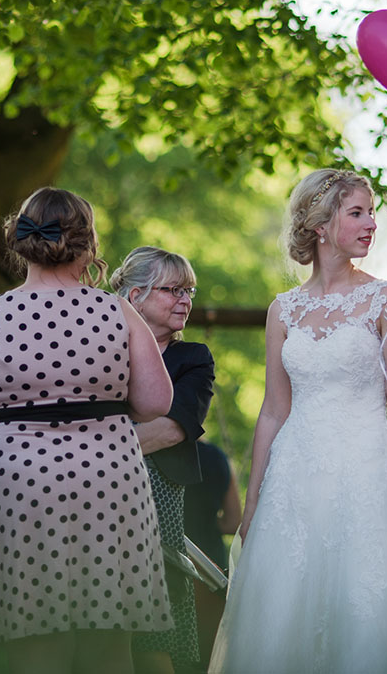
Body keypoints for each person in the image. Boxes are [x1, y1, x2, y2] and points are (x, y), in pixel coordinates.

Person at [208, 169, 387, 674]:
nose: (371, 223)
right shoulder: (283, 309)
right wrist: (253, 500)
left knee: (365, 613)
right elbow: (273, 409)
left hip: (366, 475)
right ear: (319, 224)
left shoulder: (385, 296)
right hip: (295, 480)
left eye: (372, 212)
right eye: (358, 212)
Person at [0, 187, 175, 674]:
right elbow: (158, 402)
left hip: (22, 484)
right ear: (88, 243)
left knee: (33, 638)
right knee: (109, 641)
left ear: (21, 239)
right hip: (107, 479)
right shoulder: (119, 312)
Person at [111, 246, 216, 674]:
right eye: (173, 290)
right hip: (91, 493)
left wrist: (97, 448)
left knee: (156, 634)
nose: (185, 301)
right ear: (135, 296)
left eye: (188, 291)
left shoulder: (193, 358)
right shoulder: (97, 346)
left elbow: (174, 427)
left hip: (158, 498)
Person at [183, 440, 240, 665]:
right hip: (210, 566)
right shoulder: (218, 458)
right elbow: (232, 521)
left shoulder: (156, 452)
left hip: (173, 559)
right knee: (207, 652)